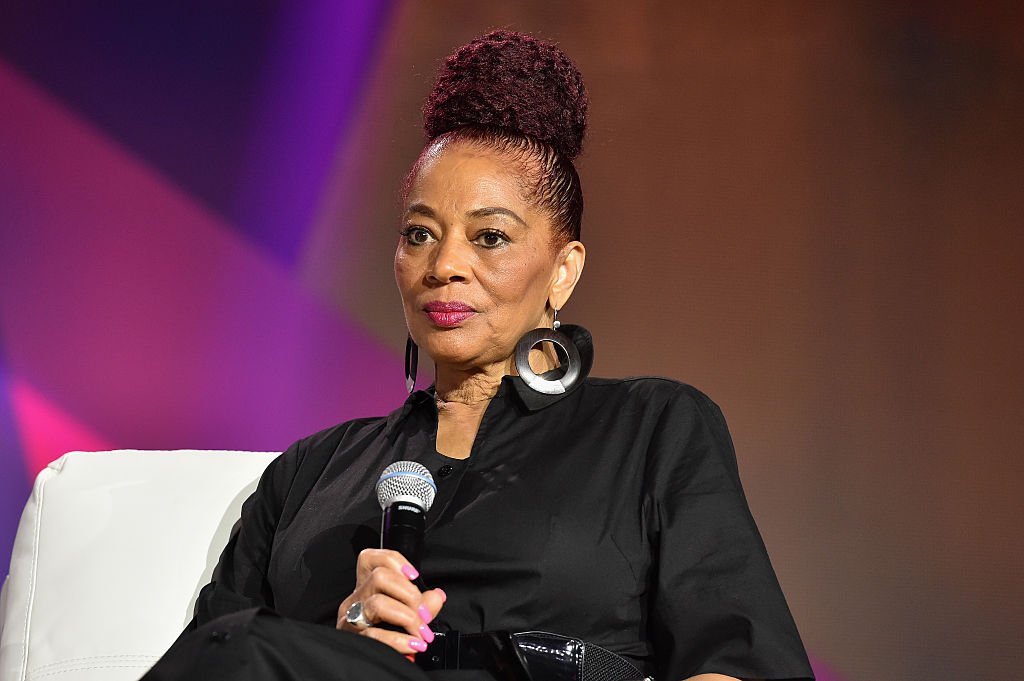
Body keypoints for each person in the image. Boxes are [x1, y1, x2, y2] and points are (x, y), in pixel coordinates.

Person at [144, 30, 814, 681]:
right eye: (419, 234)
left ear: (563, 269)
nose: (445, 265)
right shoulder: (309, 475)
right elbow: (212, 653)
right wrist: (339, 644)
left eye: (489, 236)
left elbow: (744, 658)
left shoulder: (652, 430)